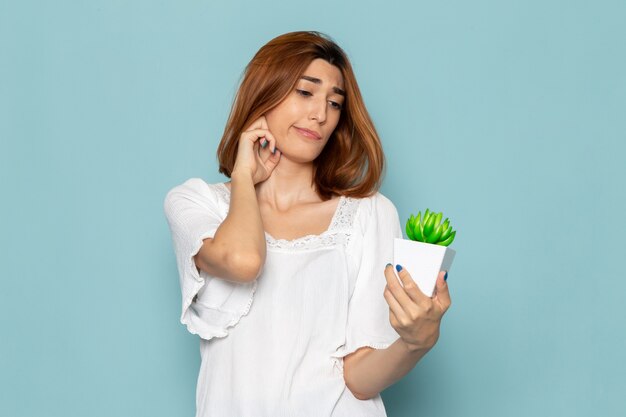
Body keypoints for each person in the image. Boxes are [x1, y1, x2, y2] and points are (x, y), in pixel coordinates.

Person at [163, 30, 451, 417]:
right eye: (305, 92)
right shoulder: (194, 203)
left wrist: (416, 342)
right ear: (264, 92)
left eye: (335, 102)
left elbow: (358, 378)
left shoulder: (370, 213)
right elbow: (245, 260)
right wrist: (245, 179)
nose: (321, 114)